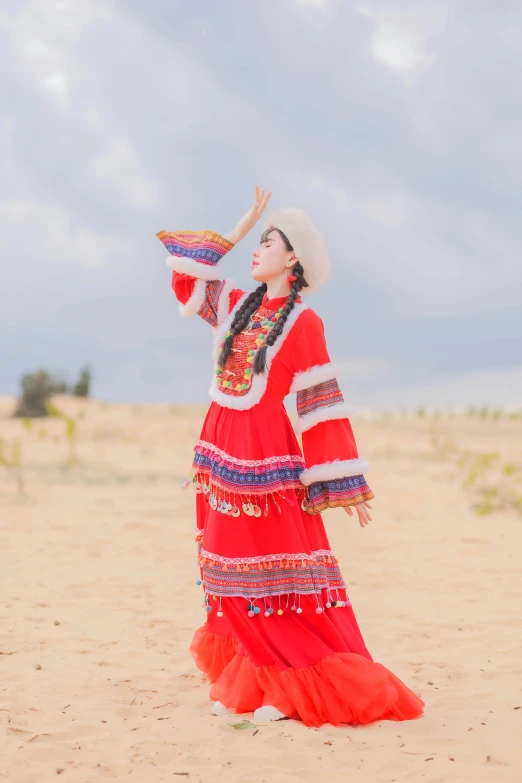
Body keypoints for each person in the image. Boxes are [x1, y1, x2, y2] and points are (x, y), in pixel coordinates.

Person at [157, 187, 425, 727]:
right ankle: (255, 674)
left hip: (265, 459)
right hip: (219, 450)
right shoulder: (234, 304)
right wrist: (244, 222)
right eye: (256, 243)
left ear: (293, 257)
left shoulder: (305, 324)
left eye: (267, 242)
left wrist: (342, 483)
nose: (255, 251)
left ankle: (288, 681)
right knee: (221, 568)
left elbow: (320, 405)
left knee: (270, 574)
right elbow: (187, 273)